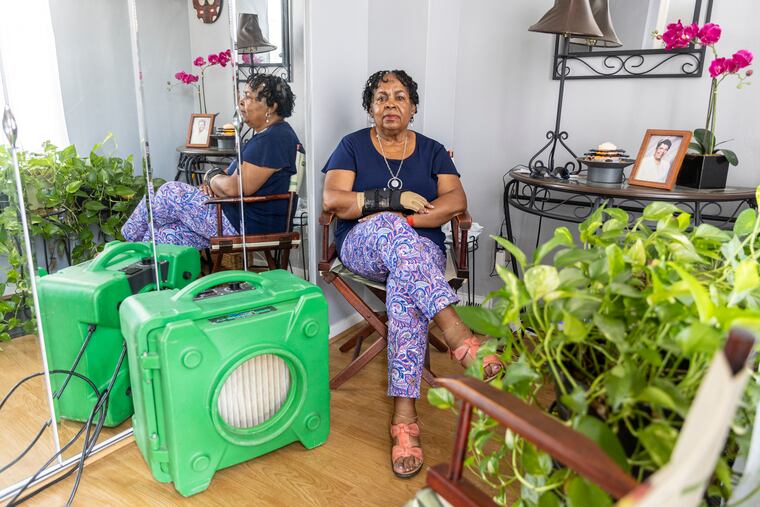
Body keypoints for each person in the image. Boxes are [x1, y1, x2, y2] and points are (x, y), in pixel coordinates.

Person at [322, 70, 504, 479]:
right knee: (389, 227)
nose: (390, 104)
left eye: (400, 97)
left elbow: (457, 199)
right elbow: (334, 199)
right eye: (381, 97)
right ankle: (458, 335)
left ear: (413, 108)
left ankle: (405, 416)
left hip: (418, 249)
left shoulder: (433, 150)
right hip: (362, 246)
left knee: (406, 284)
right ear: (370, 107)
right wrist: (389, 205)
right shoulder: (351, 146)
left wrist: (404, 220)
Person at [122, 74, 300, 249]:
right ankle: (135, 260)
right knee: (166, 235)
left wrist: (213, 180)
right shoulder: (267, 136)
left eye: (249, 97)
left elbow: (234, 187)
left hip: (245, 225)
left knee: (169, 192)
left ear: (271, 107)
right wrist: (212, 179)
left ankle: (128, 247)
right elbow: (224, 176)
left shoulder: (273, 139)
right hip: (232, 216)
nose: (241, 102)